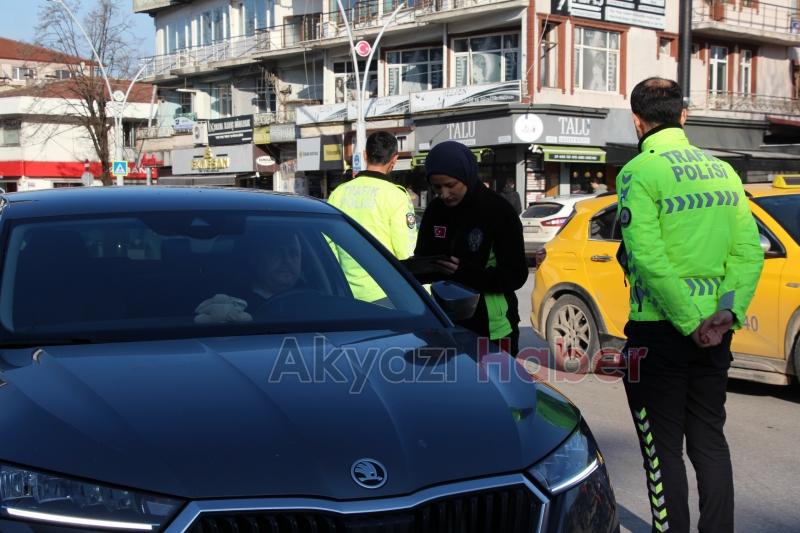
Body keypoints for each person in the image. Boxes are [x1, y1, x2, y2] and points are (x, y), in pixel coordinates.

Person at [617, 77, 763, 533]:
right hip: (715, 333)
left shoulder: (638, 172)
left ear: (636, 121)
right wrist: (726, 314)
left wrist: (688, 321)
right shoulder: (724, 172)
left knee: (661, 451)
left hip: (659, 332)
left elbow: (647, 257)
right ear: (683, 116)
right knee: (709, 441)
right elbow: (749, 252)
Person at [412, 141, 528, 354]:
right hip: (446, 324)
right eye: (437, 187)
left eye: (450, 185)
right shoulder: (435, 210)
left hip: (494, 330)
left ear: (466, 176)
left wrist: (464, 273)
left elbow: (516, 275)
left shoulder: (498, 211)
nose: (444, 194)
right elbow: (423, 258)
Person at [328, 131, 417, 302]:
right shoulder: (396, 196)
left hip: (346, 293)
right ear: (394, 160)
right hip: (386, 293)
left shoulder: (338, 193)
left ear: (365, 155)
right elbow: (405, 251)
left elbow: (329, 247)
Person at [194, 231, 303, 323]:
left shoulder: (310, 298)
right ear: (255, 258)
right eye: (277, 252)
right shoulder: (231, 304)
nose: (287, 260)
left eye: (293, 254)